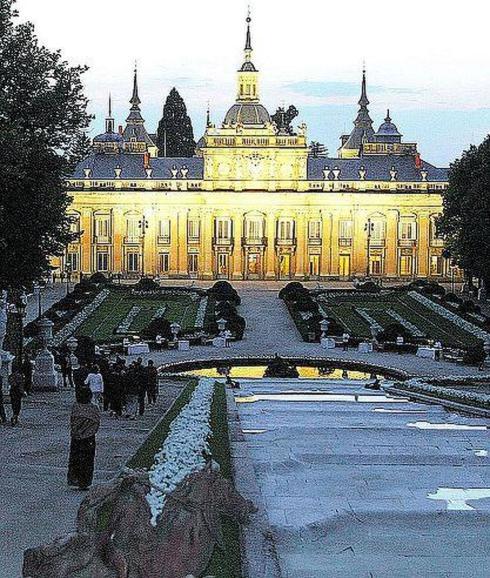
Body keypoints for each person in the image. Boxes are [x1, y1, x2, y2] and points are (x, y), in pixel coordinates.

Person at [67, 387, 100, 490]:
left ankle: (75, 478)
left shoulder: (75, 407)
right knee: (87, 460)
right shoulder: (93, 408)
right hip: (89, 437)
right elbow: (97, 422)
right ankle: (85, 481)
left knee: (75, 458)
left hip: (76, 437)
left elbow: (72, 421)